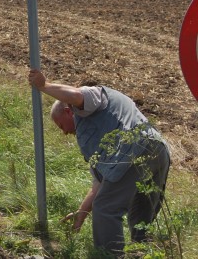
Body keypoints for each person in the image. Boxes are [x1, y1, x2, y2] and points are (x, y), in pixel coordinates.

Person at [28, 69, 170, 256]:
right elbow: (100, 184)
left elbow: (77, 95)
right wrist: (82, 213)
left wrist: (44, 86)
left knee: (106, 209)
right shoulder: (98, 132)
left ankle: (108, 256)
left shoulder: (92, 98)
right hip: (158, 151)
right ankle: (144, 254)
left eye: (61, 125)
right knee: (141, 215)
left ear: (68, 111)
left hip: (132, 151)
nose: (64, 132)